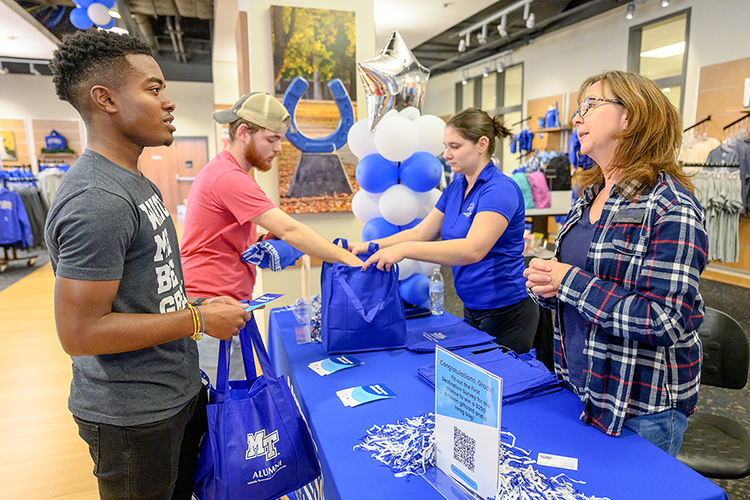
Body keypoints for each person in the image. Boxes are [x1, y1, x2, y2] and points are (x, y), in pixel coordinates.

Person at [45, 29, 251, 499]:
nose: (168, 102)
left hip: (173, 391)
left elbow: (149, 292)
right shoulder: (97, 199)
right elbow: (79, 333)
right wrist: (198, 319)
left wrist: (195, 303)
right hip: (133, 416)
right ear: (106, 99)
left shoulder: (136, 182)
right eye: (154, 89)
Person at [524, 70, 708, 456]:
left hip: (638, 406)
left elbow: (665, 319)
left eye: (591, 105)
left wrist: (568, 282)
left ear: (632, 116)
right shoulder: (590, 195)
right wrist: (548, 286)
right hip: (579, 385)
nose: (578, 117)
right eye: (579, 107)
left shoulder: (670, 206)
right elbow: (582, 286)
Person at [179, 91, 362, 382]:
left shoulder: (229, 172)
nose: (278, 148)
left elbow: (226, 234)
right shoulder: (230, 178)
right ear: (243, 133)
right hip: (212, 306)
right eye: (272, 139)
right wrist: (350, 261)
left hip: (223, 300)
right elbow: (292, 229)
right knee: (225, 408)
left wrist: (262, 241)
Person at [352, 107, 539, 353]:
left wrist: (404, 250)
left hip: (507, 312)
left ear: (482, 144)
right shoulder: (457, 187)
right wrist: (369, 246)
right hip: (472, 306)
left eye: (455, 146)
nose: (447, 154)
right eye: (445, 146)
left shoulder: (499, 189)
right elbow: (421, 233)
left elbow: (473, 250)